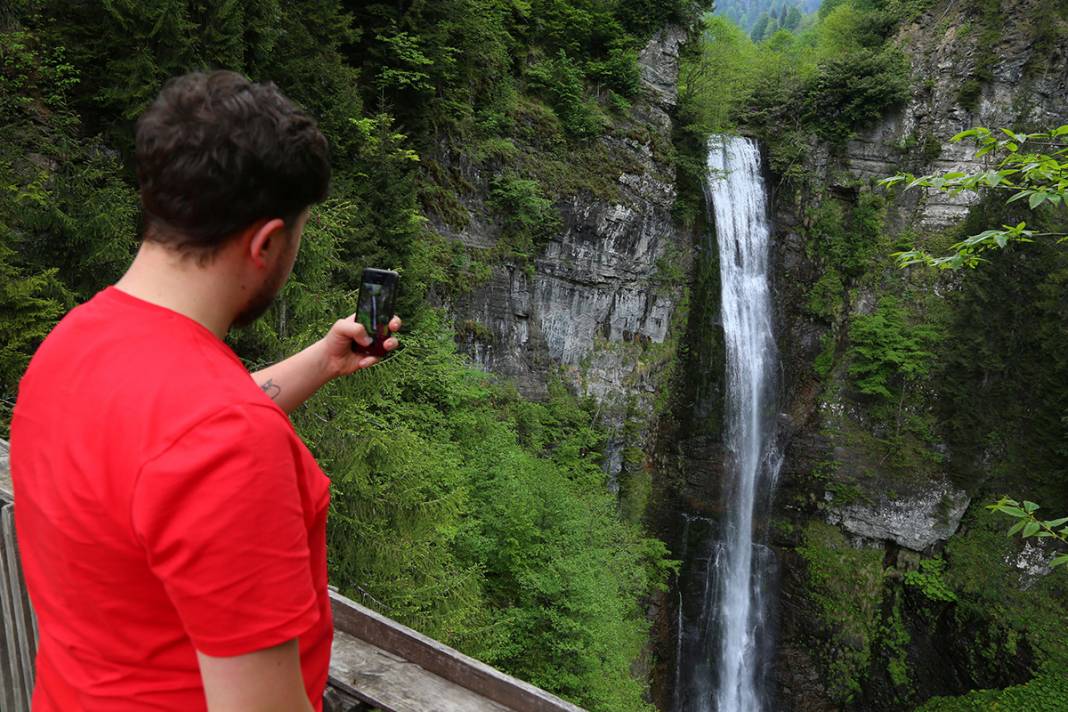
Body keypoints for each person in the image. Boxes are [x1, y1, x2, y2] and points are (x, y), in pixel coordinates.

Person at [9, 70, 400, 711]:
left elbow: (169, 441)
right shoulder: (228, 442)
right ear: (267, 242)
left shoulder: (69, 345)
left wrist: (322, 362)